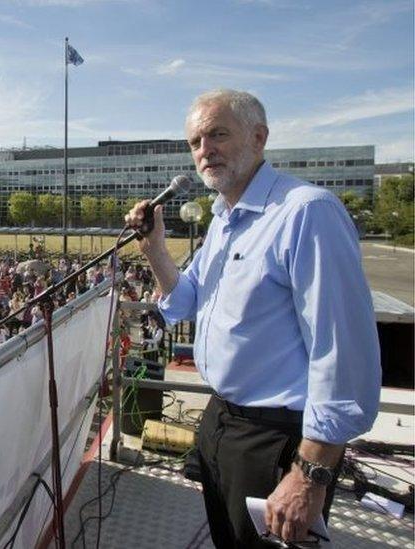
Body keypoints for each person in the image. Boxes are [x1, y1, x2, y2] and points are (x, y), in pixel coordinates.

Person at [124, 88, 381, 547]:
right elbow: (184, 301)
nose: (205, 151)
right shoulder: (223, 217)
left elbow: (342, 355)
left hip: (278, 440)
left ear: (259, 137)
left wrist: (310, 474)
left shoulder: (306, 213)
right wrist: (156, 251)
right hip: (220, 421)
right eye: (195, 142)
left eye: (218, 135)